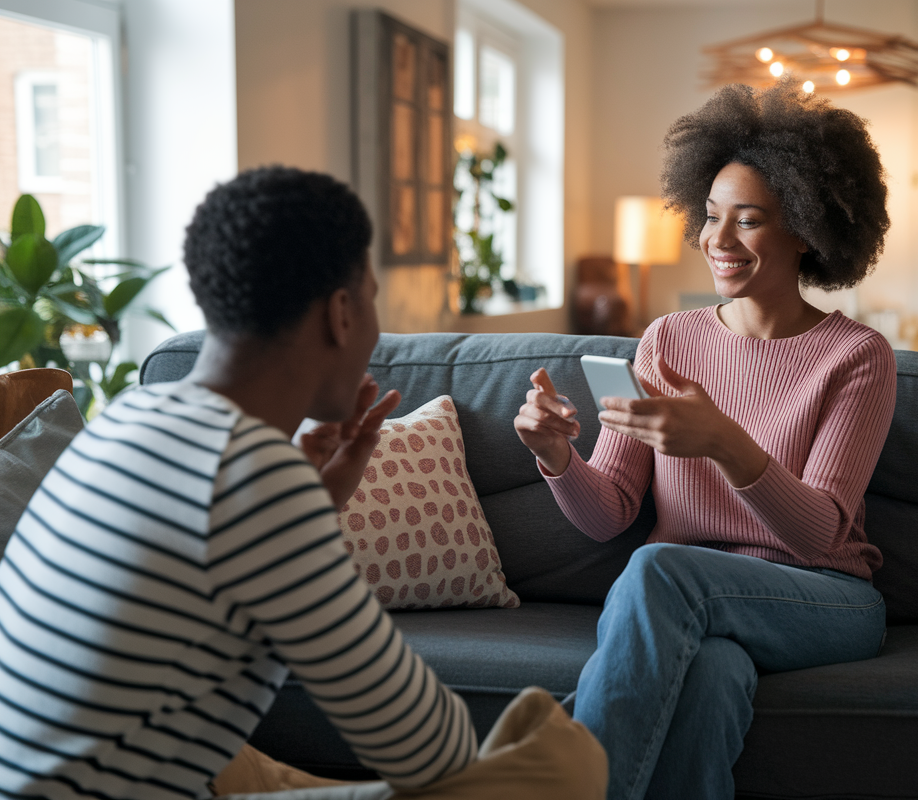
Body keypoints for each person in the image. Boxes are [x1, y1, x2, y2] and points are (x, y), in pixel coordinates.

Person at [0, 166, 606, 800]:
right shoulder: (256, 482)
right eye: (372, 297)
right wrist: (296, 503)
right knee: (562, 763)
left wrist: (317, 503)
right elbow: (432, 749)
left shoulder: (126, 418)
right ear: (342, 313)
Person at [514, 80, 896, 800]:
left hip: (825, 599)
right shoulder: (668, 341)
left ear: (807, 229)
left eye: (748, 221)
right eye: (712, 216)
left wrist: (725, 441)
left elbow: (818, 535)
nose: (717, 241)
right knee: (714, 672)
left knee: (661, 570)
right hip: (694, 604)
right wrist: (557, 457)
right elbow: (611, 512)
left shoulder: (856, 357)